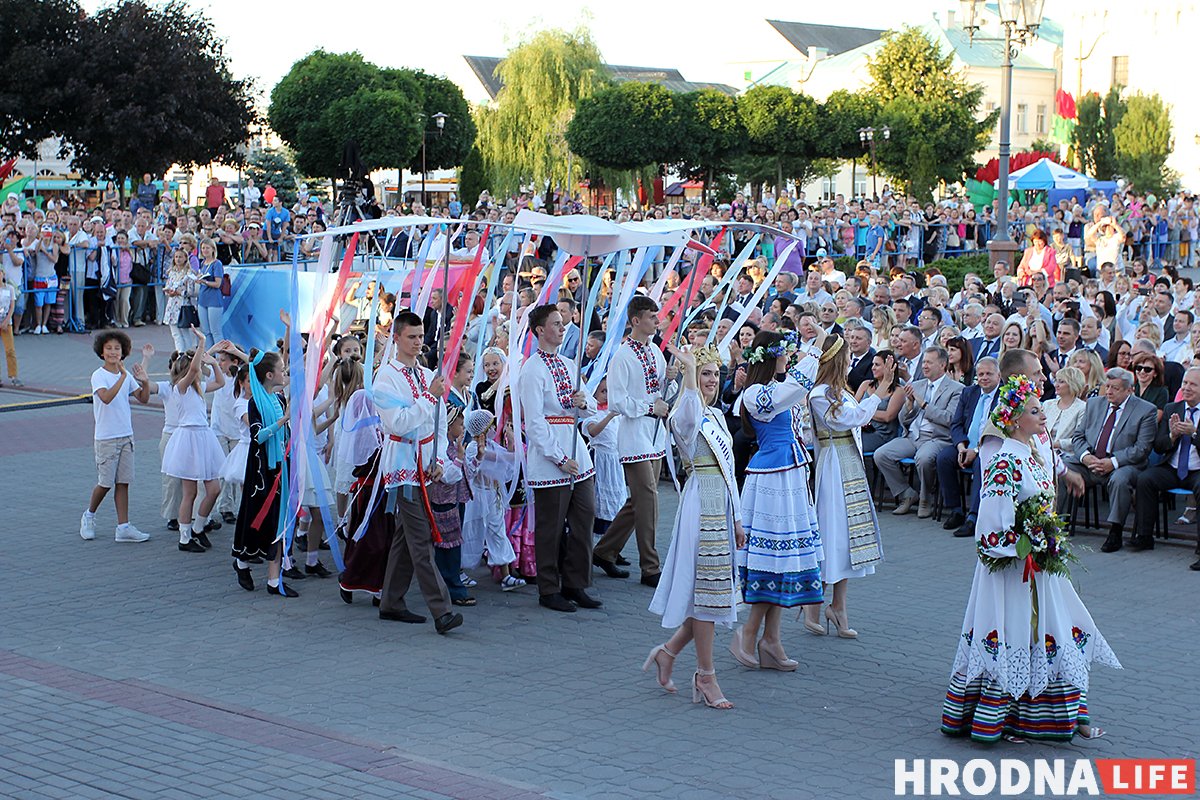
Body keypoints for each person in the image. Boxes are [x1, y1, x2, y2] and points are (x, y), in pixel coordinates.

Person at [940, 374, 1120, 744]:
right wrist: (1024, 544)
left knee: (1058, 625)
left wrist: (1045, 538)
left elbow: (1040, 504)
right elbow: (991, 523)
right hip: (1013, 568)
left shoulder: (1033, 453)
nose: (1043, 416)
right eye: (1035, 411)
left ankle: (1060, 714)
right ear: (1015, 418)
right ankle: (1002, 719)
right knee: (1016, 630)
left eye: (1042, 409)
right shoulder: (1005, 459)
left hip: (1039, 564)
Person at [645, 344, 744, 709]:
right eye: (705, 374)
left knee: (710, 595)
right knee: (707, 595)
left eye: (715, 375)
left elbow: (729, 469)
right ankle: (706, 676)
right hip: (700, 506)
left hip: (721, 504)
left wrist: (736, 518)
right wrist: (687, 371)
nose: (710, 381)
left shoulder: (717, 416)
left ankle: (668, 653)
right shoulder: (684, 416)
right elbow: (687, 414)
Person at [729, 331, 822, 672]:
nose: (788, 356)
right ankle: (751, 632)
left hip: (789, 475)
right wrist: (814, 349)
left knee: (787, 562)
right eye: (783, 352)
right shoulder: (756, 393)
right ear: (770, 356)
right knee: (774, 559)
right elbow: (794, 389)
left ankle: (771, 639)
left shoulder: (772, 390)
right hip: (772, 480)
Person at [373, 311, 463, 634]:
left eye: (420, 336)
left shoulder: (427, 375)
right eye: (411, 336)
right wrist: (429, 397)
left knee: (405, 537)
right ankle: (442, 610)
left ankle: (392, 601)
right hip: (401, 465)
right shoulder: (385, 378)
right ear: (396, 338)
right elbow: (398, 423)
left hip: (424, 462)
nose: (417, 342)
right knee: (421, 536)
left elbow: (437, 424)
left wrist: (439, 458)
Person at [518, 304, 602, 613]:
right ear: (540, 330)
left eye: (562, 322)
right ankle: (548, 587)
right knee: (551, 525)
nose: (562, 326)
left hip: (576, 450)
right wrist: (558, 456)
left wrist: (584, 401)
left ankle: (575, 582)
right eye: (555, 323)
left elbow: (590, 403)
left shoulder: (568, 364)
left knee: (584, 517)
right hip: (551, 452)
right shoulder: (531, 370)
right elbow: (535, 421)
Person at [806, 335, 883, 639]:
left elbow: (856, 417)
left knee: (847, 537)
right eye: (848, 356)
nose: (851, 360)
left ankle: (838, 606)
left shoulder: (841, 392)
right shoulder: (820, 394)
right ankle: (814, 603)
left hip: (847, 461)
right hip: (834, 463)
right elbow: (849, 419)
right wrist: (878, 393)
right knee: (831, 532)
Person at [594, 296, 670, 587]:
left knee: (638, 500)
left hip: (654, 435)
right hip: (634, 435)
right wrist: (650, 407)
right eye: (652, 316)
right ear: (636, 320)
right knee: (648, 499)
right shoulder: (623, 356)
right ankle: (650, 566)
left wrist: (672, 379)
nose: (657, 321)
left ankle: (605, 550)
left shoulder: (655, 352)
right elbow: (618, 401)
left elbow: (661, 390)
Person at [1064, 367, 1157, 553]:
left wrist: (1112, 462)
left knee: (1119, 480)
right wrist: (1086, 457)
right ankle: (1056, 522)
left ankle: (1115, 531)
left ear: (1129, 390)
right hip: (1090, 462)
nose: (1109, 392)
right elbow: (1078, 436)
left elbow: (1142, 448)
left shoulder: (1146, 410)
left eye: (1115, 388)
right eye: (1107, 386)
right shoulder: (1094, 404)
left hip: (1122, 465)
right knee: (1061, 467)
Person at [231, 349, 298, 596]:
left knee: (277, 520)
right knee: (255, 516)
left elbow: (284, 434)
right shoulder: (254, 402)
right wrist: (282, 422)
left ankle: (273, 580)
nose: (285, 373)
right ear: (270, 375)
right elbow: (257, 436)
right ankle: (242, 561)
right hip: (261, 471)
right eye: (281, 370)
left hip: (281, 466)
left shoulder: (279, 399)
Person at [157, 331, 227, 553]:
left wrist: (214, 363)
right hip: (188, 438)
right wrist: (202, 344)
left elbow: (220, 381)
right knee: (190, 493)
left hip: (202, 437)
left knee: (213, 489)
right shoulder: (180, 388)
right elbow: (196, 369)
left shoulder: (197, 388)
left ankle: (198, 527)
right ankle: (185, 537)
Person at [874, 346, 965, 518]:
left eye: (929, 362)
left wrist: (924, 405)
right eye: (923, 362)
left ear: (943, 365)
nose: (924, 366)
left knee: (923, 458)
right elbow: (903, 420)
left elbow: (949, 419)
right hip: (912, 436)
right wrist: (909, 406)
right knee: (881, 454)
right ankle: (906, 493)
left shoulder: (956, 389)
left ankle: (926, 498)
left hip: (937, 438)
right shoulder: (916, 385)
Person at [80, 330, 152, 543]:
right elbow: (106, 398)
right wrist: (122, 376)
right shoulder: (99, 375)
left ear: (124, 352)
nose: (113, 352)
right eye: (109, 348)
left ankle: (123, 527)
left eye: (117, 348)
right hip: (106, 438)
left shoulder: (127, 376)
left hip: (126, 436)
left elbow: (143, 398)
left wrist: (145, 382)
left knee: (123, 482)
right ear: (101, 352)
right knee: (105, 483)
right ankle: (89, 516)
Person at [1131, 366, 1200, 568]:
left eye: (1193, 385)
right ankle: (1144, 536)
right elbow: (1159, 446)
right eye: (1185, 383)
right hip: (1172, 467)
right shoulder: (1172, 408)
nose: (1186, 388)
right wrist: (1172, 436)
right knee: (1145, 479)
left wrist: (1194, 433)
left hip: (1197, 471)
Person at [936, 357, 1000, 533]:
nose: (984, 377)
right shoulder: (969, 393)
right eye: (980, 374)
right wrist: (961, 447)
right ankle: (956, 510)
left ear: (999, 375)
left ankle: (974, 517)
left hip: (989, 447)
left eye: (989, 374)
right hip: (966, 445)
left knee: (981, 463)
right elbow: (956, 424)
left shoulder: (1004, 396)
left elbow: (1000, 431)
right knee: (943, 458)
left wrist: (977, 450)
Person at [855, 350, 904, 454]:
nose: (873, 368)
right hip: (861, 430)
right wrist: (862, 413)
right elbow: (854, 408)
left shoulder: (898, 390)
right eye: (872, 364)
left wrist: (864, 413)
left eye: (877, 365)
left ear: (889, 367)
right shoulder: (866, 385)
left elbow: (888, 417)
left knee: (852, 446)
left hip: (882, 435)